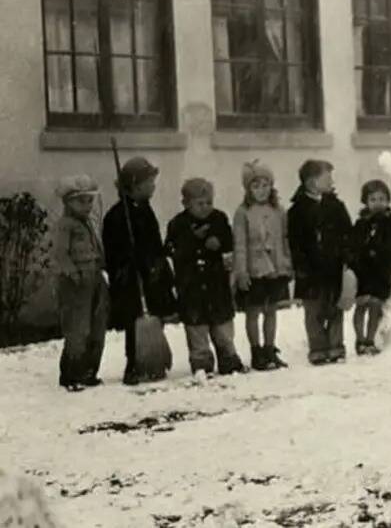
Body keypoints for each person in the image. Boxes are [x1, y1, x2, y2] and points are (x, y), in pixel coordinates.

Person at [103, 156, 178, 385]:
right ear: (135, 185)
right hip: (131, 279)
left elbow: (153, 239)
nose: (154, 186)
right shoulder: (117, 216)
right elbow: (112, 249)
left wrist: (159, 258)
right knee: (134, 321)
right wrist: (128, 260)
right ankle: (134, 362)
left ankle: (153, 357)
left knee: (154, 316)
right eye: (149, 182)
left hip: (152, 274)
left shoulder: (146, 209)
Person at [165, 178, 247, 379]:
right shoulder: (177, 224)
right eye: (200, 204)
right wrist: (193, 241)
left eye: (209, 202)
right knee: (196, 327)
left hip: (216, 282)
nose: (206, 208)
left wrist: (219, 242)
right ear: (186, 203)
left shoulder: (219, 219)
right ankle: (201, 361)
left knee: (222, 324)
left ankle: (228, 357)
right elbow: (171, 250)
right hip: (191, 285)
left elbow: (229, 242)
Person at [287, 160, 353, 364]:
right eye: (328, 177)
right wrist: (300, 265)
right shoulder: (297, 211)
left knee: (335, 307)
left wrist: (346, 255)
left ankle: (335, 346)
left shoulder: (336, 206)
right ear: (312, 182)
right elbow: (294, 241)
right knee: (313, 310)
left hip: (333, 266)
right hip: (310, 270)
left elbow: (346, 233)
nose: (332, 181)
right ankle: (317, 347)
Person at [233, 160, 292, 371]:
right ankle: (256, 351)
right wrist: (241, 271)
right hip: (254, 269)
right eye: (256, 186)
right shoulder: (243, 213)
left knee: (271, 310)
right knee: (254, 311)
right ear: (248, 189)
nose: (261, 190)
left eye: (265, 185)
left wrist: (286, 262)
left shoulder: (278, 211)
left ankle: (269, 348)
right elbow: (239, 244)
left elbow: (284, 238)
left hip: (274, 267)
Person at [52, 174, 108, 391]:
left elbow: (96, 248)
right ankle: (71, 374)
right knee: (78, 327)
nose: (86, 206)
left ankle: (89, 371)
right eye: (80, 201)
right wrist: (72, 273)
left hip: (93, 278)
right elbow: (60, 254)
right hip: (75, 282)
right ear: (67, 202)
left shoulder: (89, 224)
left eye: (89, 201)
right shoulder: (65, 226)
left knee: (97, 324)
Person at [349, 179, 391, 356]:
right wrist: (355, 259)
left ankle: (370, 339)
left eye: (382, 198)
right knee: (361, 305)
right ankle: (360, 340)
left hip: (382, 270)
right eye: (373, 199)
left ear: (388, 200)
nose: (378, 203)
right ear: (366, 201)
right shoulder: (361, 223)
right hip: (364, 270)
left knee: (376, 306)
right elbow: (353, 244)